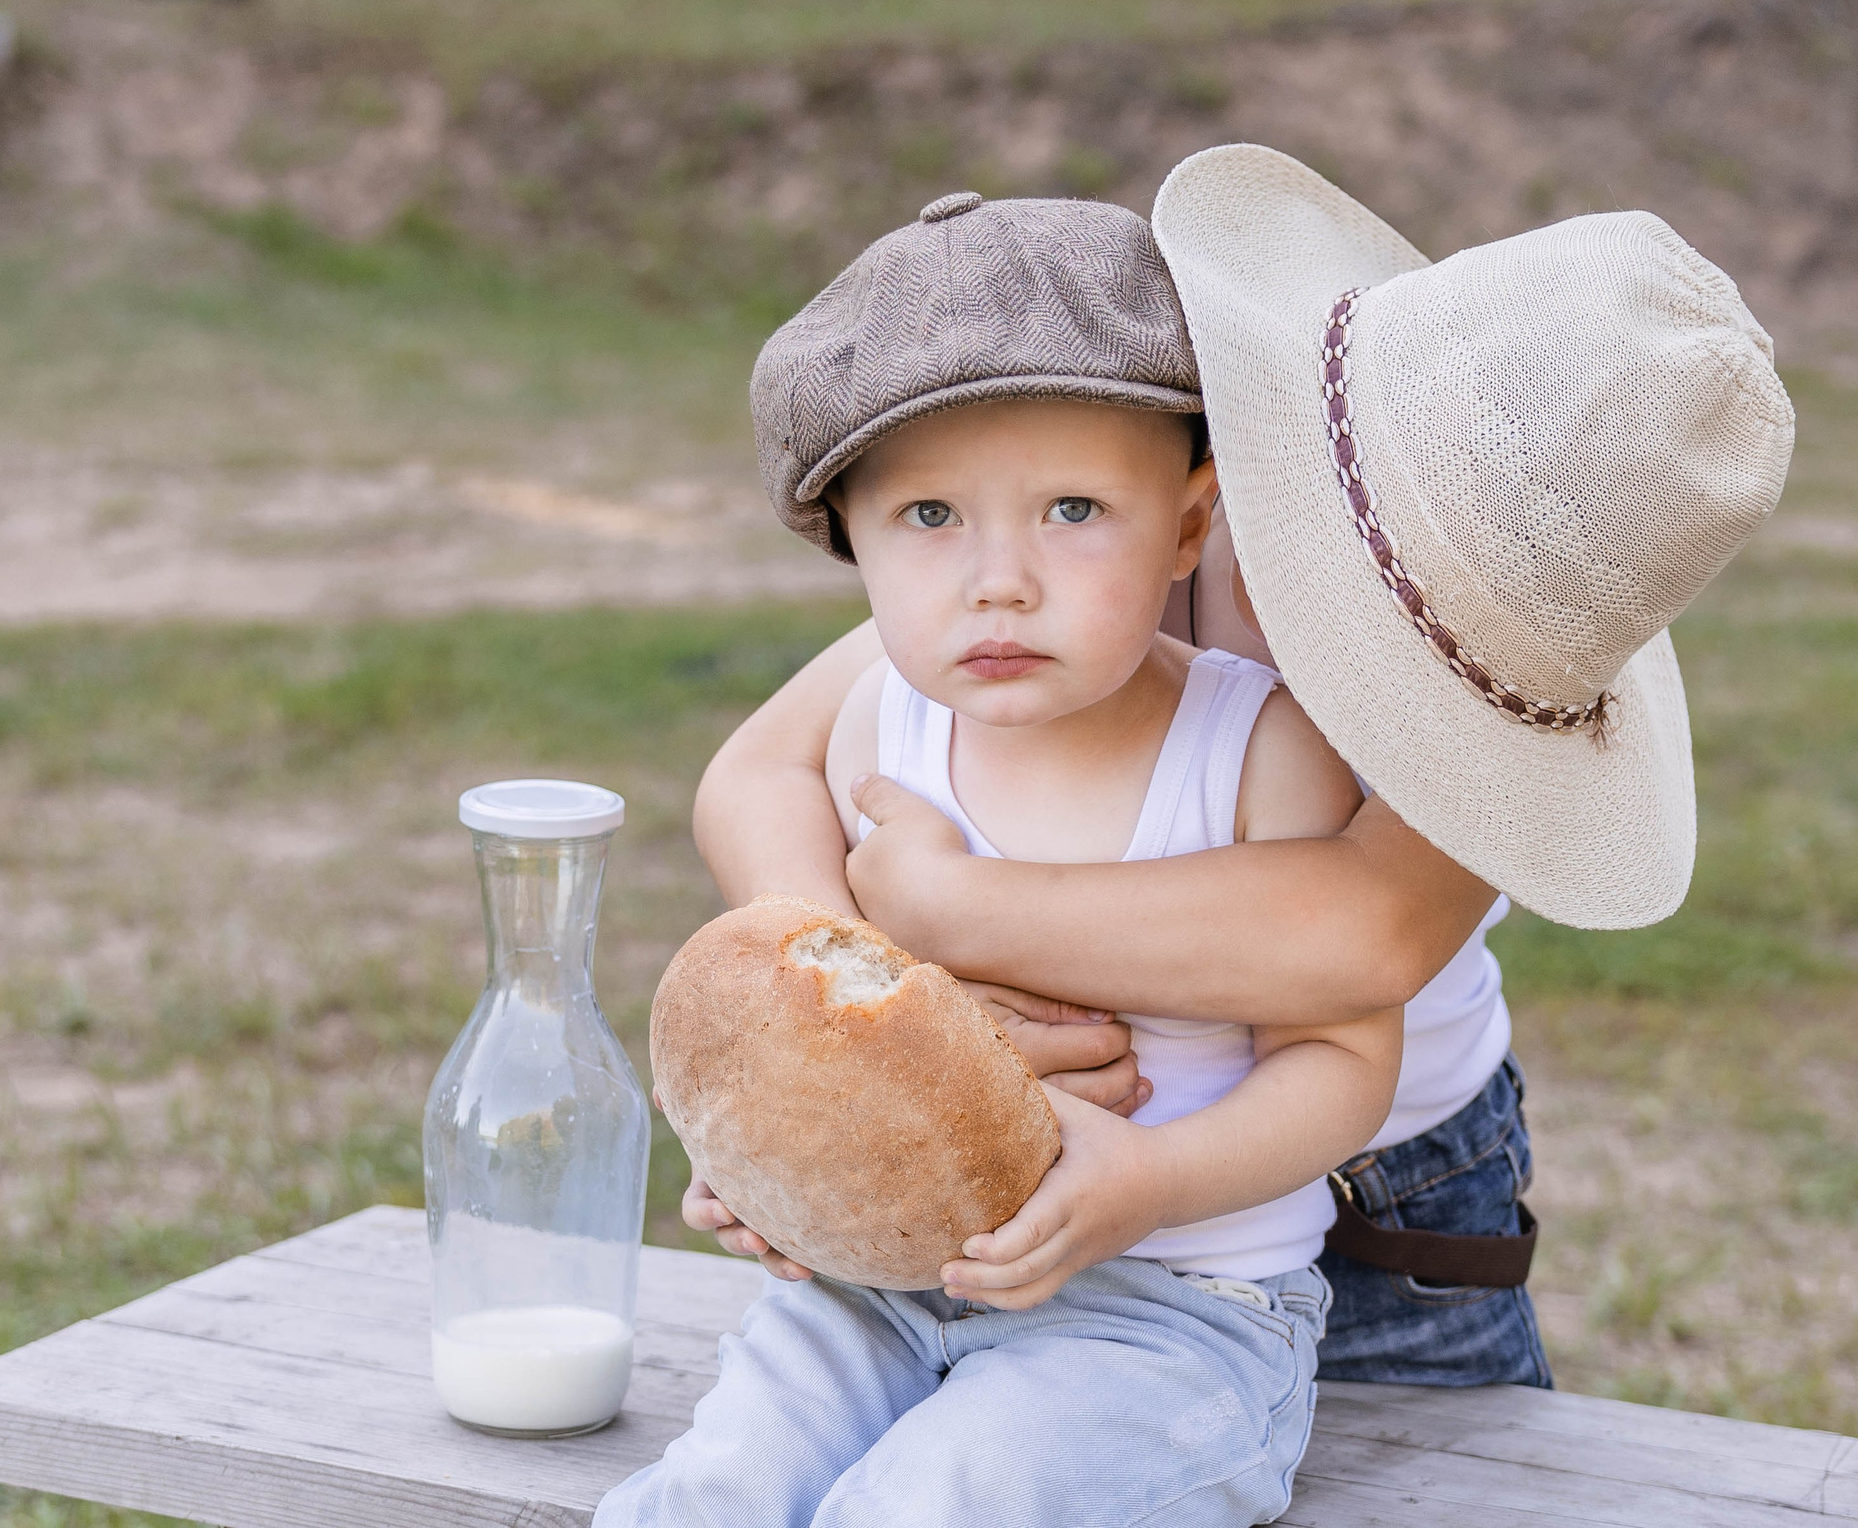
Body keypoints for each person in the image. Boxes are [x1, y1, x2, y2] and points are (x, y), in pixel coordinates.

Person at [682, 147, 1794, 1404]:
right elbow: (762, 764)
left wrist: (953, 918)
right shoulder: (1088, 579)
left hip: (1391, 1193)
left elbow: (1361, 938)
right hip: (1038, 1217)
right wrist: (853, 1021)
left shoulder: (1500, 669)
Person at [600, 189, 1404, 1528]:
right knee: (717, 1491)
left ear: (1192, 524)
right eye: (928, 516)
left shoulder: (1256, 746)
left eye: (1075, 507)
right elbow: (748, 777)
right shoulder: (881, 701)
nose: (1000, 580)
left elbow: (1342, 1061)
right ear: (849, 534)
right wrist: (799, 1105)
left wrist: (1151, 1178)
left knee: (936, 1501)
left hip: (1172, 1312)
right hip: (874, 1287)